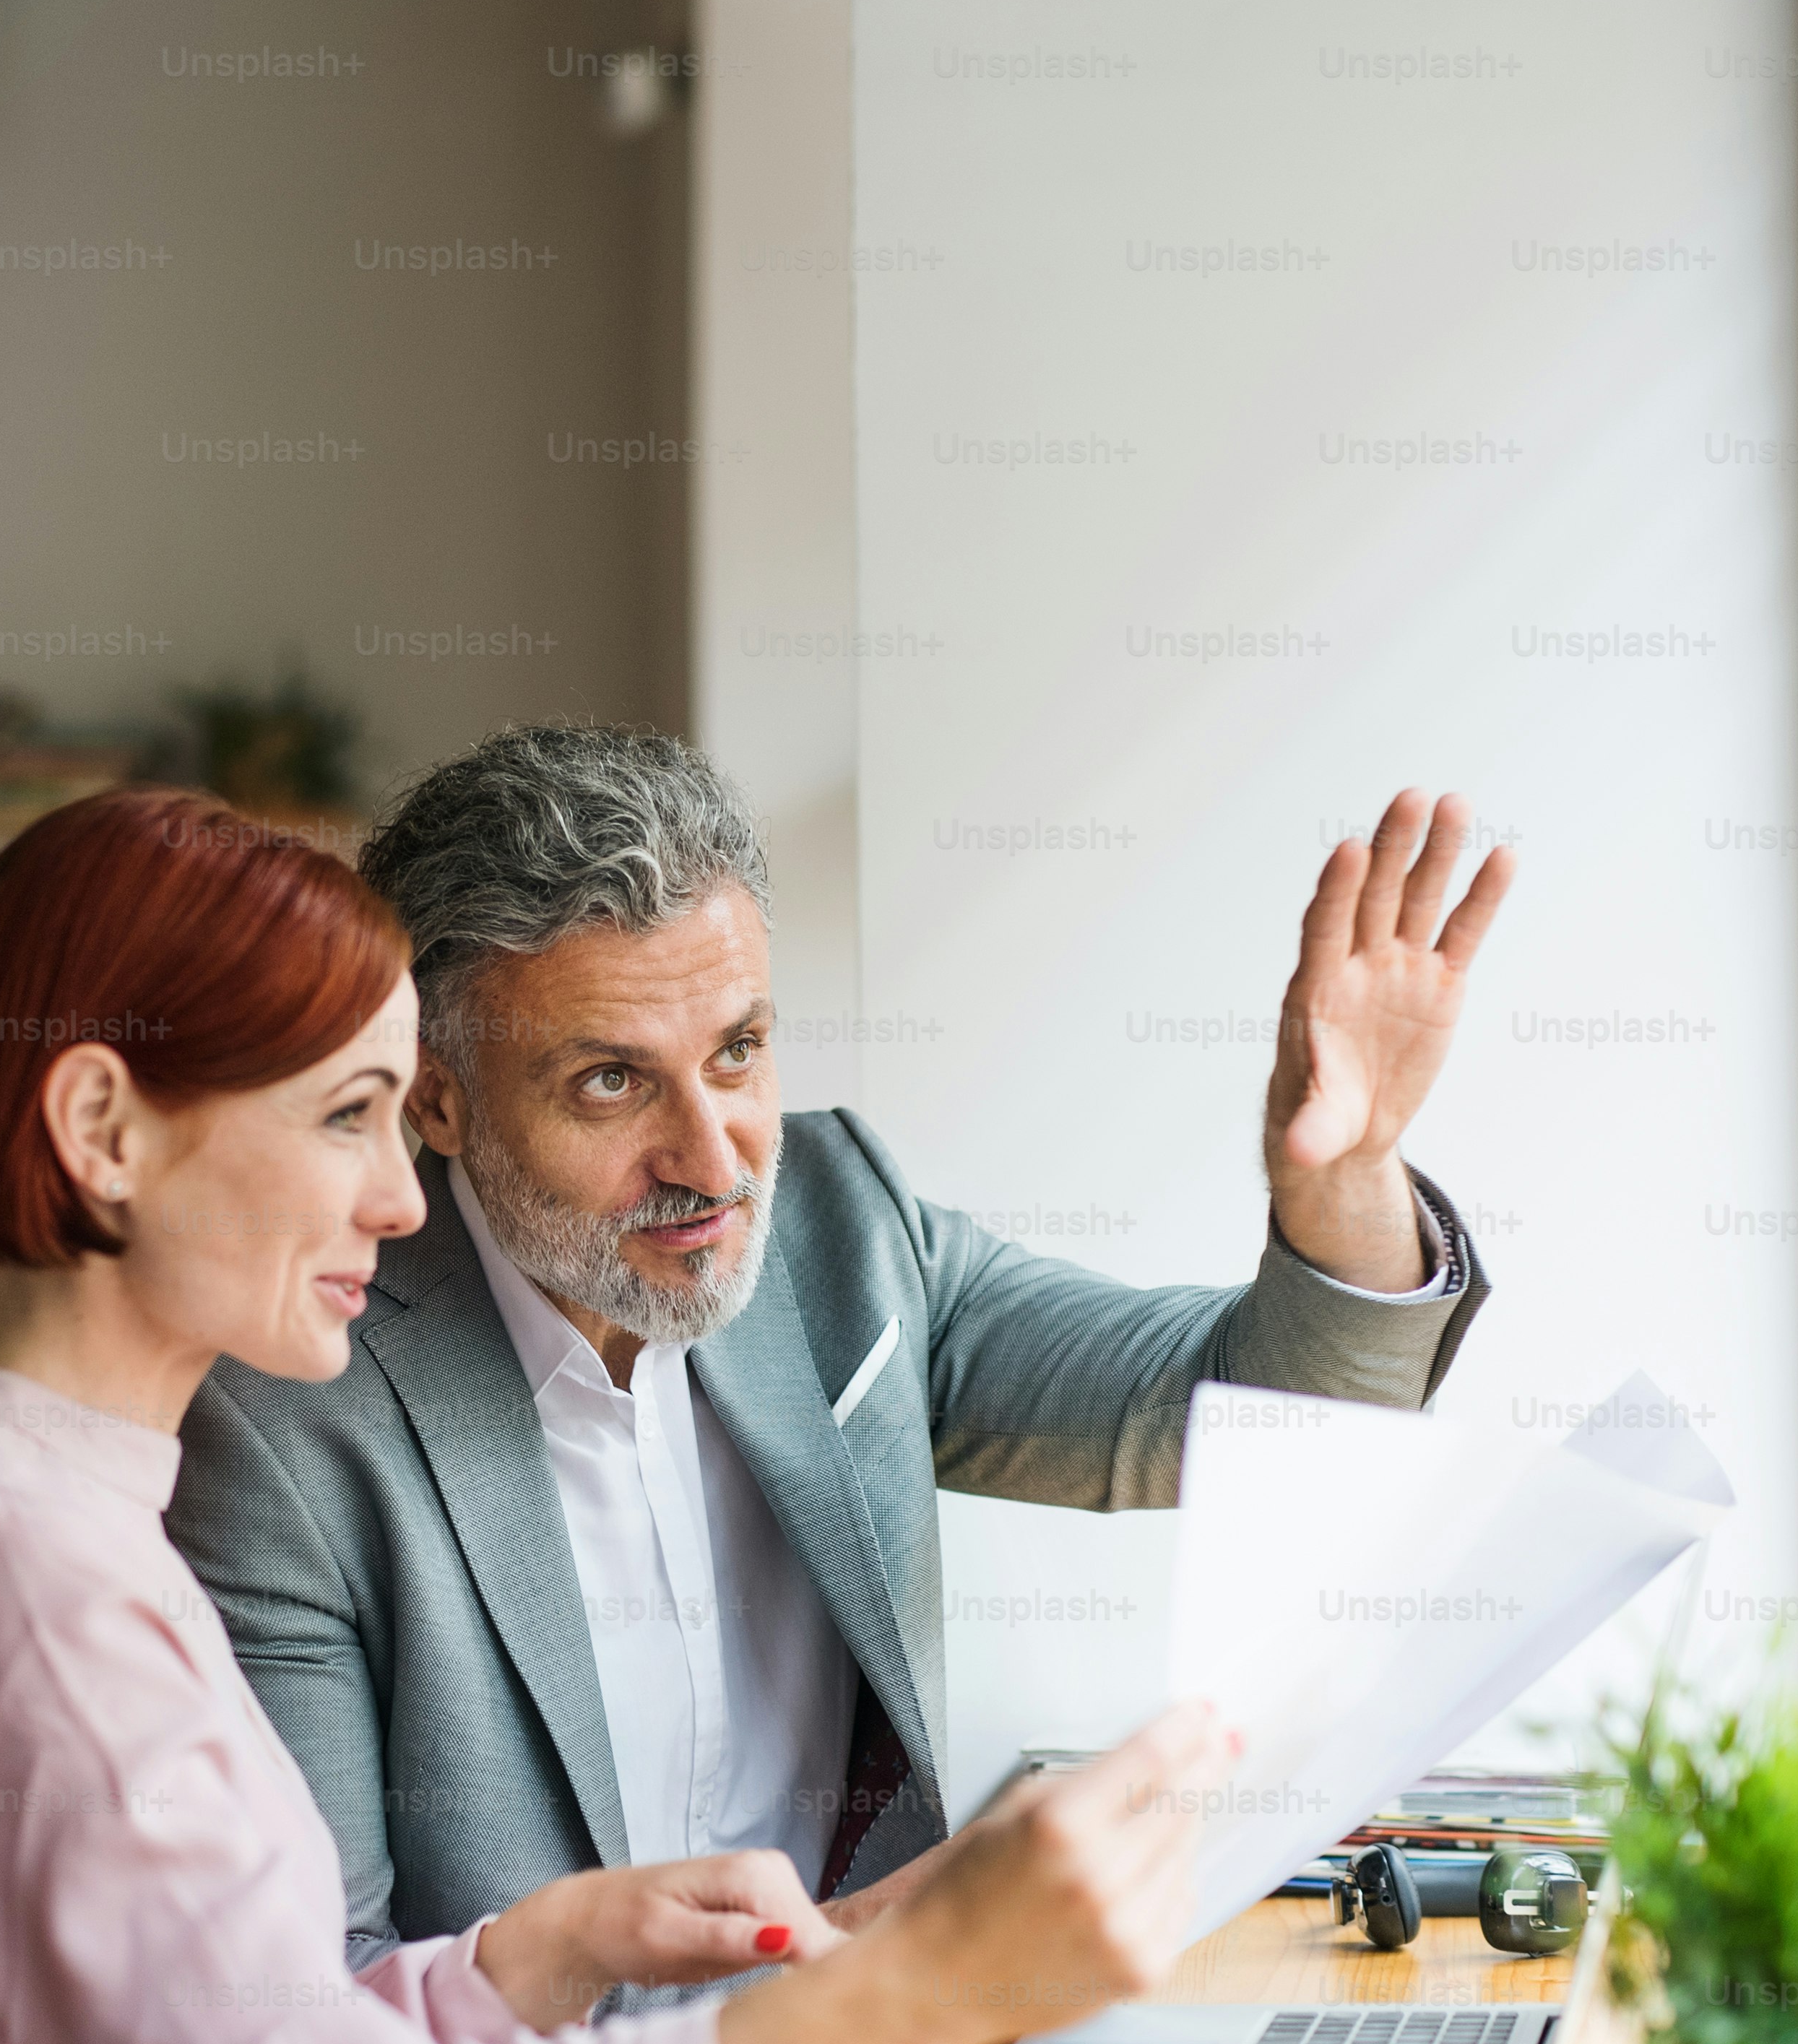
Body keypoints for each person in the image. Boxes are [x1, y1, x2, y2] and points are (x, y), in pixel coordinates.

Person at [0, 785, 1234, 2044]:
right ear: (104, 1130)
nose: (400, 1202)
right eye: (347, 1116)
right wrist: (924, 1992)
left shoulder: (39, 1531)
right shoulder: (15, 1590)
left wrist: (551, 1946)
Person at [166, 725, 1513, 1959]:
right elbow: (313, 2007)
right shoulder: (286, 1418)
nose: (711, 1159)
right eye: (611, 1082)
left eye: (739, 1052)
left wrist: (1348, 1183)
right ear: (440, 1103)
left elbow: (1252, 1421)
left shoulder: (838, 1225)